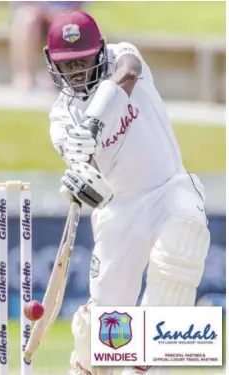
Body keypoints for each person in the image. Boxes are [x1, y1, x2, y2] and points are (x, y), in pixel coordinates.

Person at [45, 10, 210, 375]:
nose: (77, 72)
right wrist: (78, 169)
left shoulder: (123, 56)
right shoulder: (61, 118)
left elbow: (129, 73)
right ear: (52, 64)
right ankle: (88, 365)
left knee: (184, 242)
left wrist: (95, 122)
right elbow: (80, 167)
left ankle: (147, 365)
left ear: (99, 52)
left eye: (83, 61)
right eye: (67, 65)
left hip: (169, 188)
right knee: (105, 326)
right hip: (118, 214)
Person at [10, 1, 83, 91]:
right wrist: (43, 9)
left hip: (64, 11)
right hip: (33, 10)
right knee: (26, 18)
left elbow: (77, 5)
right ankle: (23, 78)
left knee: (65, 22)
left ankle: (55, 77)